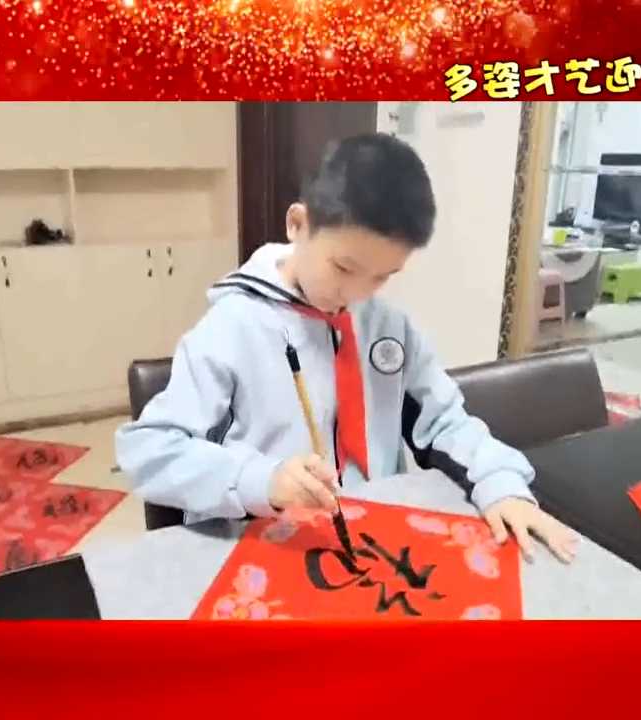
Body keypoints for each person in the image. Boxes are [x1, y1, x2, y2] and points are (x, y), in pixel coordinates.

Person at [115, 133, 578, 563]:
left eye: (382, 276)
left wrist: (500, 482)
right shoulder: (232, 328)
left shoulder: (389, 328)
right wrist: (261, 479)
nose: (356, 293)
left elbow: (446, 424)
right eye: (343, 267)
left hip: (369, 541)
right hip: (264, 546)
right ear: (298, 224)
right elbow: (149, 450)